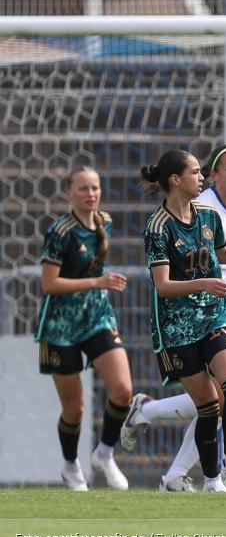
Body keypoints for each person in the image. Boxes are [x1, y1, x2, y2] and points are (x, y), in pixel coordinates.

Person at [120, 144, 226, 493]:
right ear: (175, 180)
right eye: (195, 173)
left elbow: (224, 253)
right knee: (207, 406)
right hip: (177, 328)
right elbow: (163, 286)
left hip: (213, 316)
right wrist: (205, 281)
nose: (201, 177)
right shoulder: (157, 227)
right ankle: (210, 480)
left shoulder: (207, 215)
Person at [35, 165, 133, 491]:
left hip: (97, 317)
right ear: (68, 193)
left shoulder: (105, 222)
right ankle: (70, 464)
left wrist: (99, 288)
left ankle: (104, 453)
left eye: (95, 188)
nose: (90, 194)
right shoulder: (60, 232)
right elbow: (49, 284)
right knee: (74, 408)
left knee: (122, 391)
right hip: (61, 326)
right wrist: (97, 281)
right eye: (83, 189)